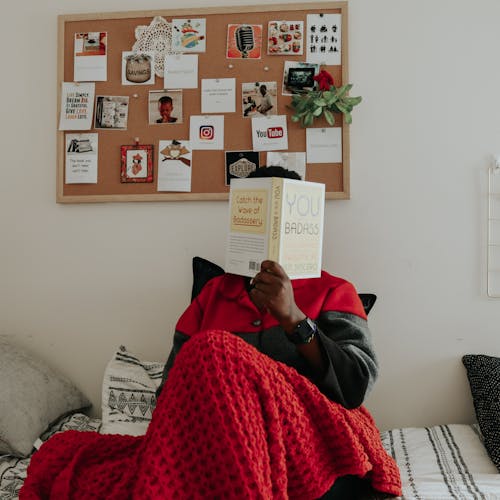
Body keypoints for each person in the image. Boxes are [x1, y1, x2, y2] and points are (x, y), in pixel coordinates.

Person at [21, 167, 401, 500]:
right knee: (66, 456)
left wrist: (294, 318)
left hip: (313, 443)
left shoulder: (333, 290)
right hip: (221, 443)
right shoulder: (214, 294)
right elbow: (173, 391)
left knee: (215, 348)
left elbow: (355, 388)